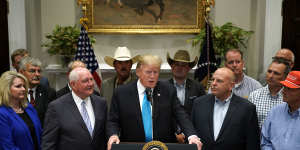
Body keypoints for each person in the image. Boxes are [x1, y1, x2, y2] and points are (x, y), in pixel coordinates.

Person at [107, 54, 202, 150]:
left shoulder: (168, 90)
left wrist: (192, 135)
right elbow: (113, 120)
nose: (152, 76)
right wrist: (113, 135)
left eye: (155, 72)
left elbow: (181, 115)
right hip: (133, 146)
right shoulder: (122, 93)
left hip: (164, 146)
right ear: (138, 72)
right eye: (148, 72)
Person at [192, 67, 260, 150]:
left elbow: (252, 143)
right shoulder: (199, 103)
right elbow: (192, 132)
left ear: (231, 86)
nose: (213, 83)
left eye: (219, 81)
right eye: (212, 80)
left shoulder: (247, 108)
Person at [42, 67, 107, 150]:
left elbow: (105, 133)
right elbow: (48, 143)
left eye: (91, 79)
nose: (90, 84)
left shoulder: (101, 103)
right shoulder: (56, 107)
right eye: (85, 81)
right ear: (73, 84)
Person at [167, 50, 206, 143]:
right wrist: (175, 134)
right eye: (177, 64)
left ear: (189, 68)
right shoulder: (163, 87)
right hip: (168, 136)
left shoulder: (198, 87)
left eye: (183, 65)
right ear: (172, 67)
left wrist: (186, 134)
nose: (179, 68)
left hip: (192, 137)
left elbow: (202, 114)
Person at [0, 71, 42, 150]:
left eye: (24, 86)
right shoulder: (2, 114)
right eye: (18, 86)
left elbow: (39, 134)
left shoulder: (29, 108)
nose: (23, 89)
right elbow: (7, 146)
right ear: (6, 89)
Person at [261, 71, 300, 150]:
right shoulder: (274, 112)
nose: (283, 91)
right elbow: (265, 142)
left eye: (289, 89)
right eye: (284, 87)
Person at [249, 59, 290, 128]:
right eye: (269, 71)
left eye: (276, 73)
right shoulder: (254, 96)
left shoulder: (289, 97)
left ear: (285, 77)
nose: (271, 76)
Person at [19, 57, 56, 125]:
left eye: (39, 71)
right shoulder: (16, 93)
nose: (37, 74)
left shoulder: (49, 92)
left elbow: (53, 119)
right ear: (21, 72)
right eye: (32, 71)